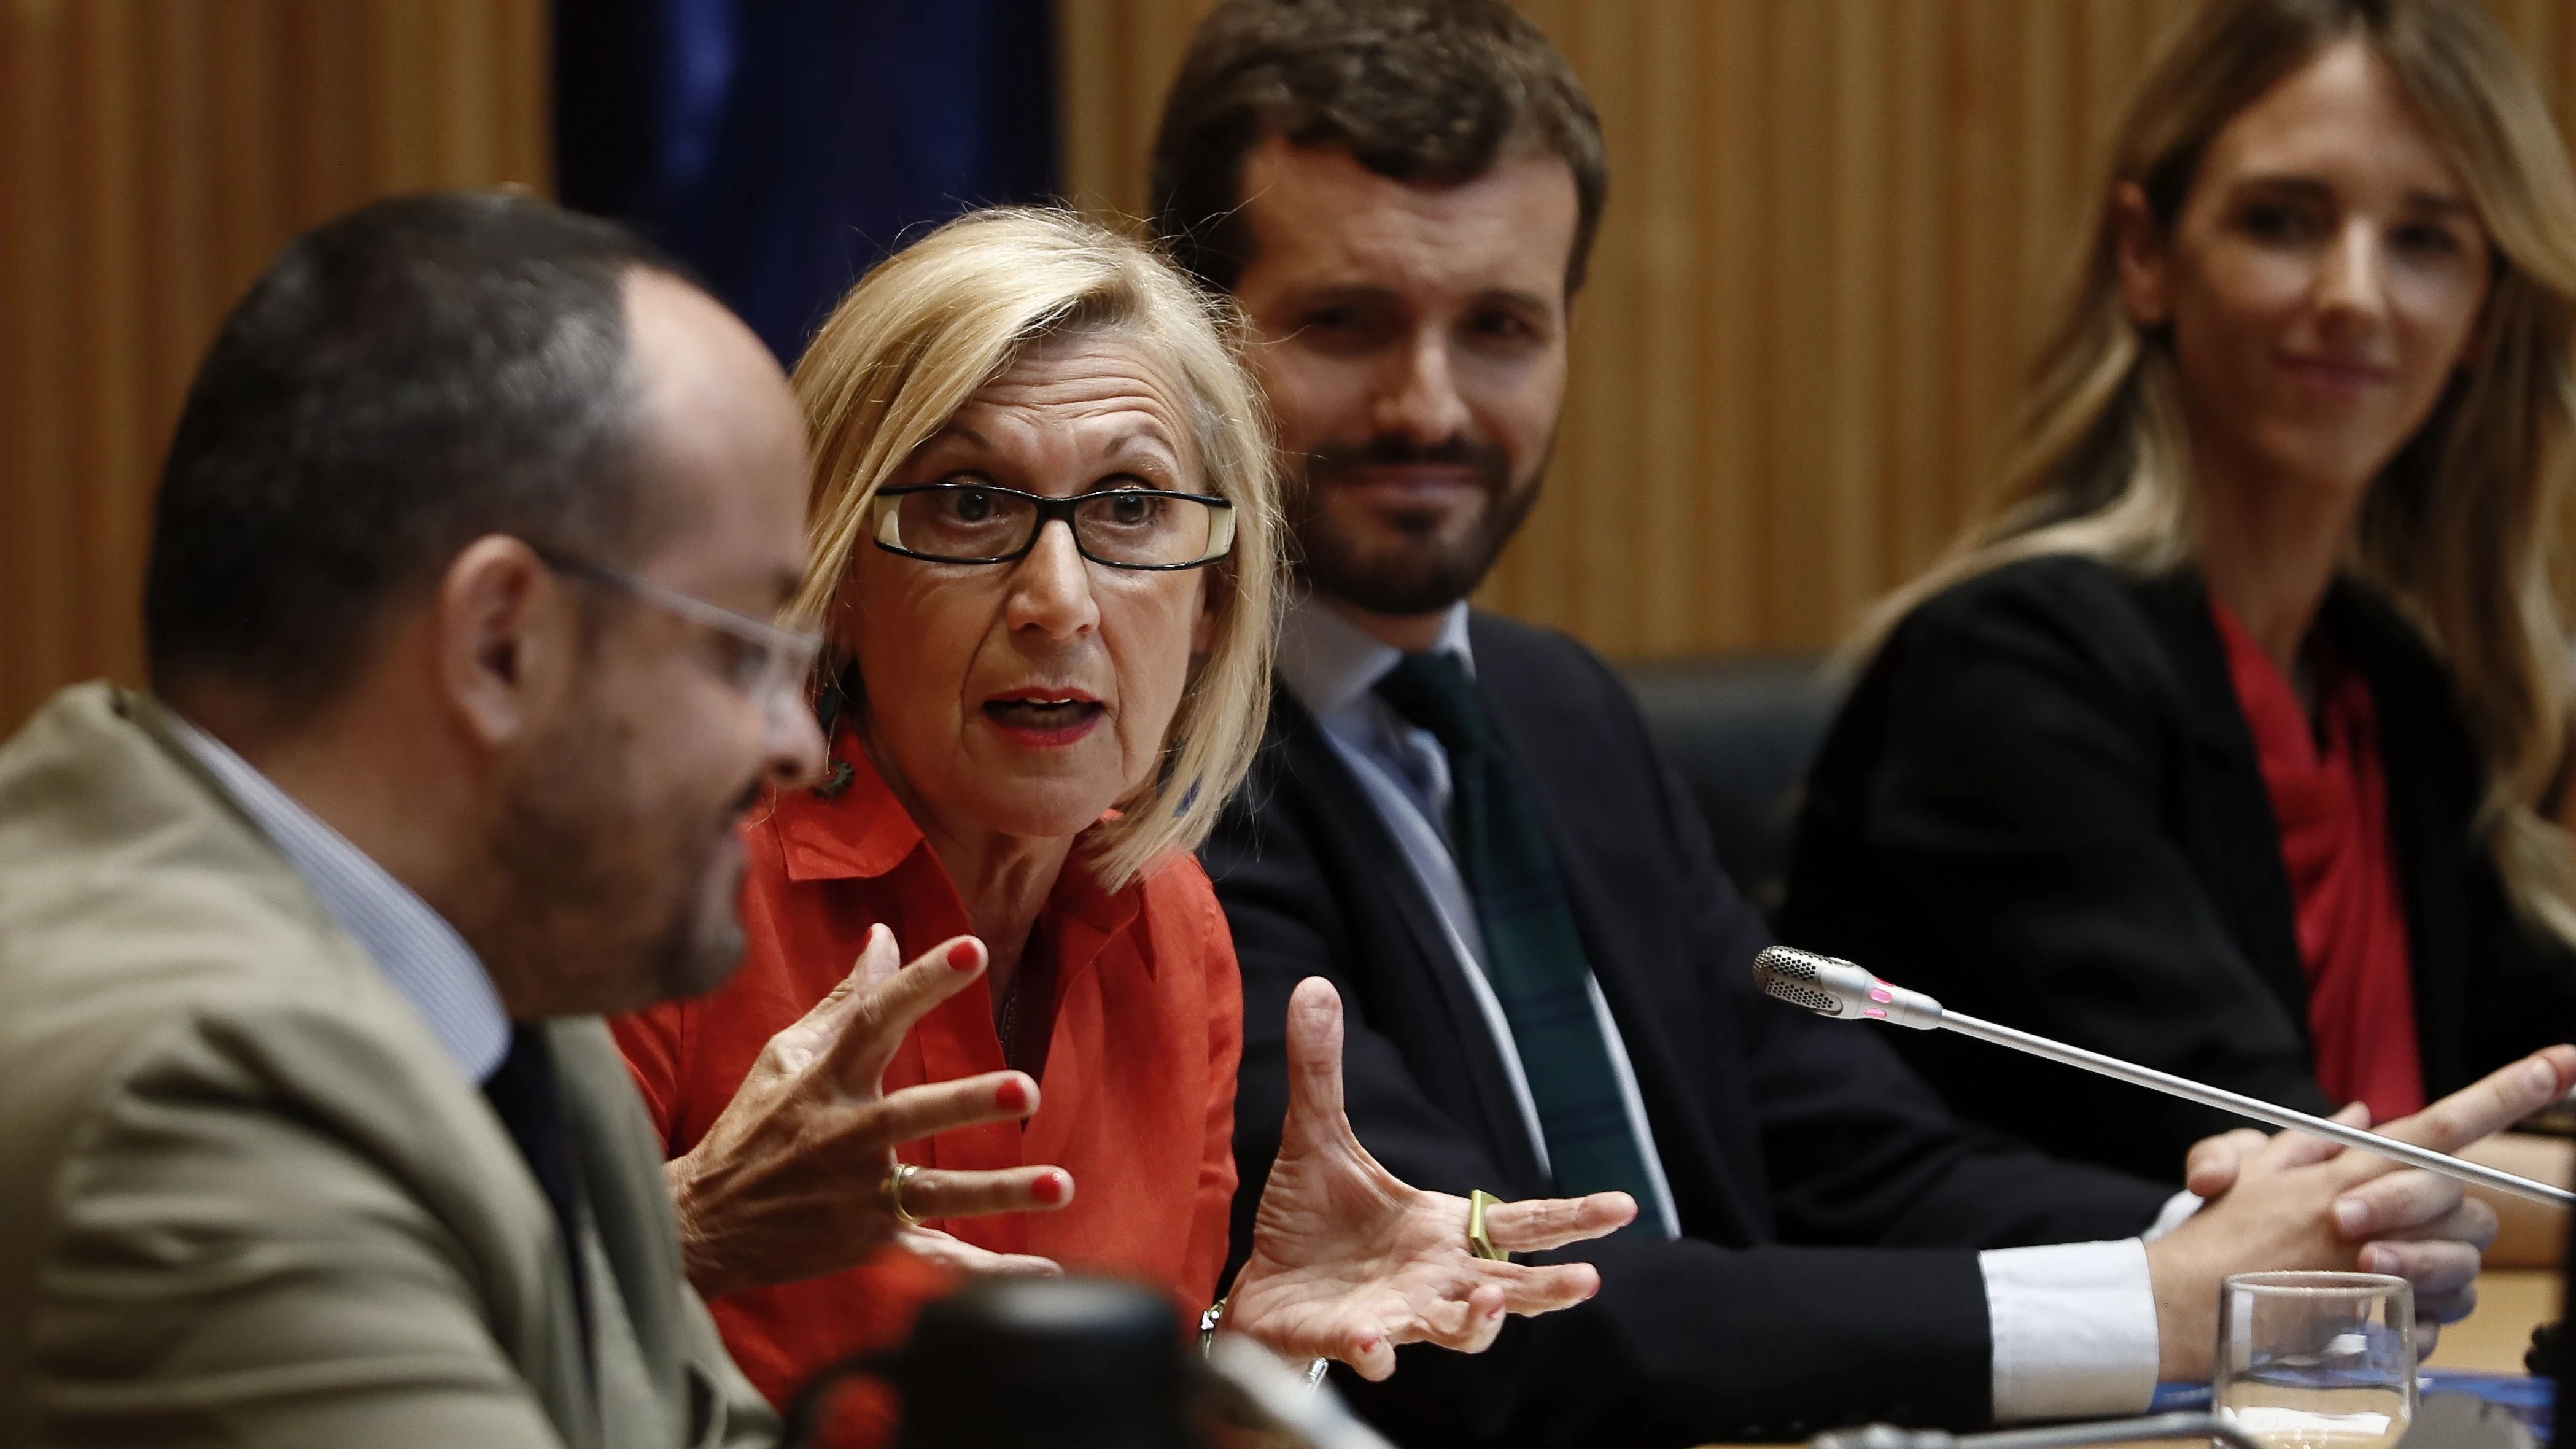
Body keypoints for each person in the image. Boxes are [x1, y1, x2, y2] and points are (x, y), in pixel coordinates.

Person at [1158, 1, 2576, 1443]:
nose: (1431, 402)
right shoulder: (1160, 762)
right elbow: (1479, 1315)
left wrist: (2253, 1230)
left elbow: (1856, 1158)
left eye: (1501, 327)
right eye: (1346, 322)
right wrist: (2160, 1299)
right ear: (1193, 331)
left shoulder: (1555, 706)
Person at [0, 193, 1049, 1447]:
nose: (795, 741)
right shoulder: (193, 1092)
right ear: (502, 644)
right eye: (740, 654)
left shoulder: (510, 999)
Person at [609, 206, 1632, 1428]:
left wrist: (1245, 1353)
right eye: (970, 502)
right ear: (835, 579)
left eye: (1131, 508)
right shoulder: (657, 880)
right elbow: (433, 1331)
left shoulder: (1174, 922)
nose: (1058, 600)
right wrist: (684, 1233)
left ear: (1212, 600)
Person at [1780, 0, 2576, 1191]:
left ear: (2477, 317)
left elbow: (2536, 1075)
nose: (2354, 293)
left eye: (2424, 241)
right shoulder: (2010, 671)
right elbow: (2278, 1159)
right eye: (2283, 222)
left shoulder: (2399, 691)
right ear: (2145, 254)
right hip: (2110, 1375)